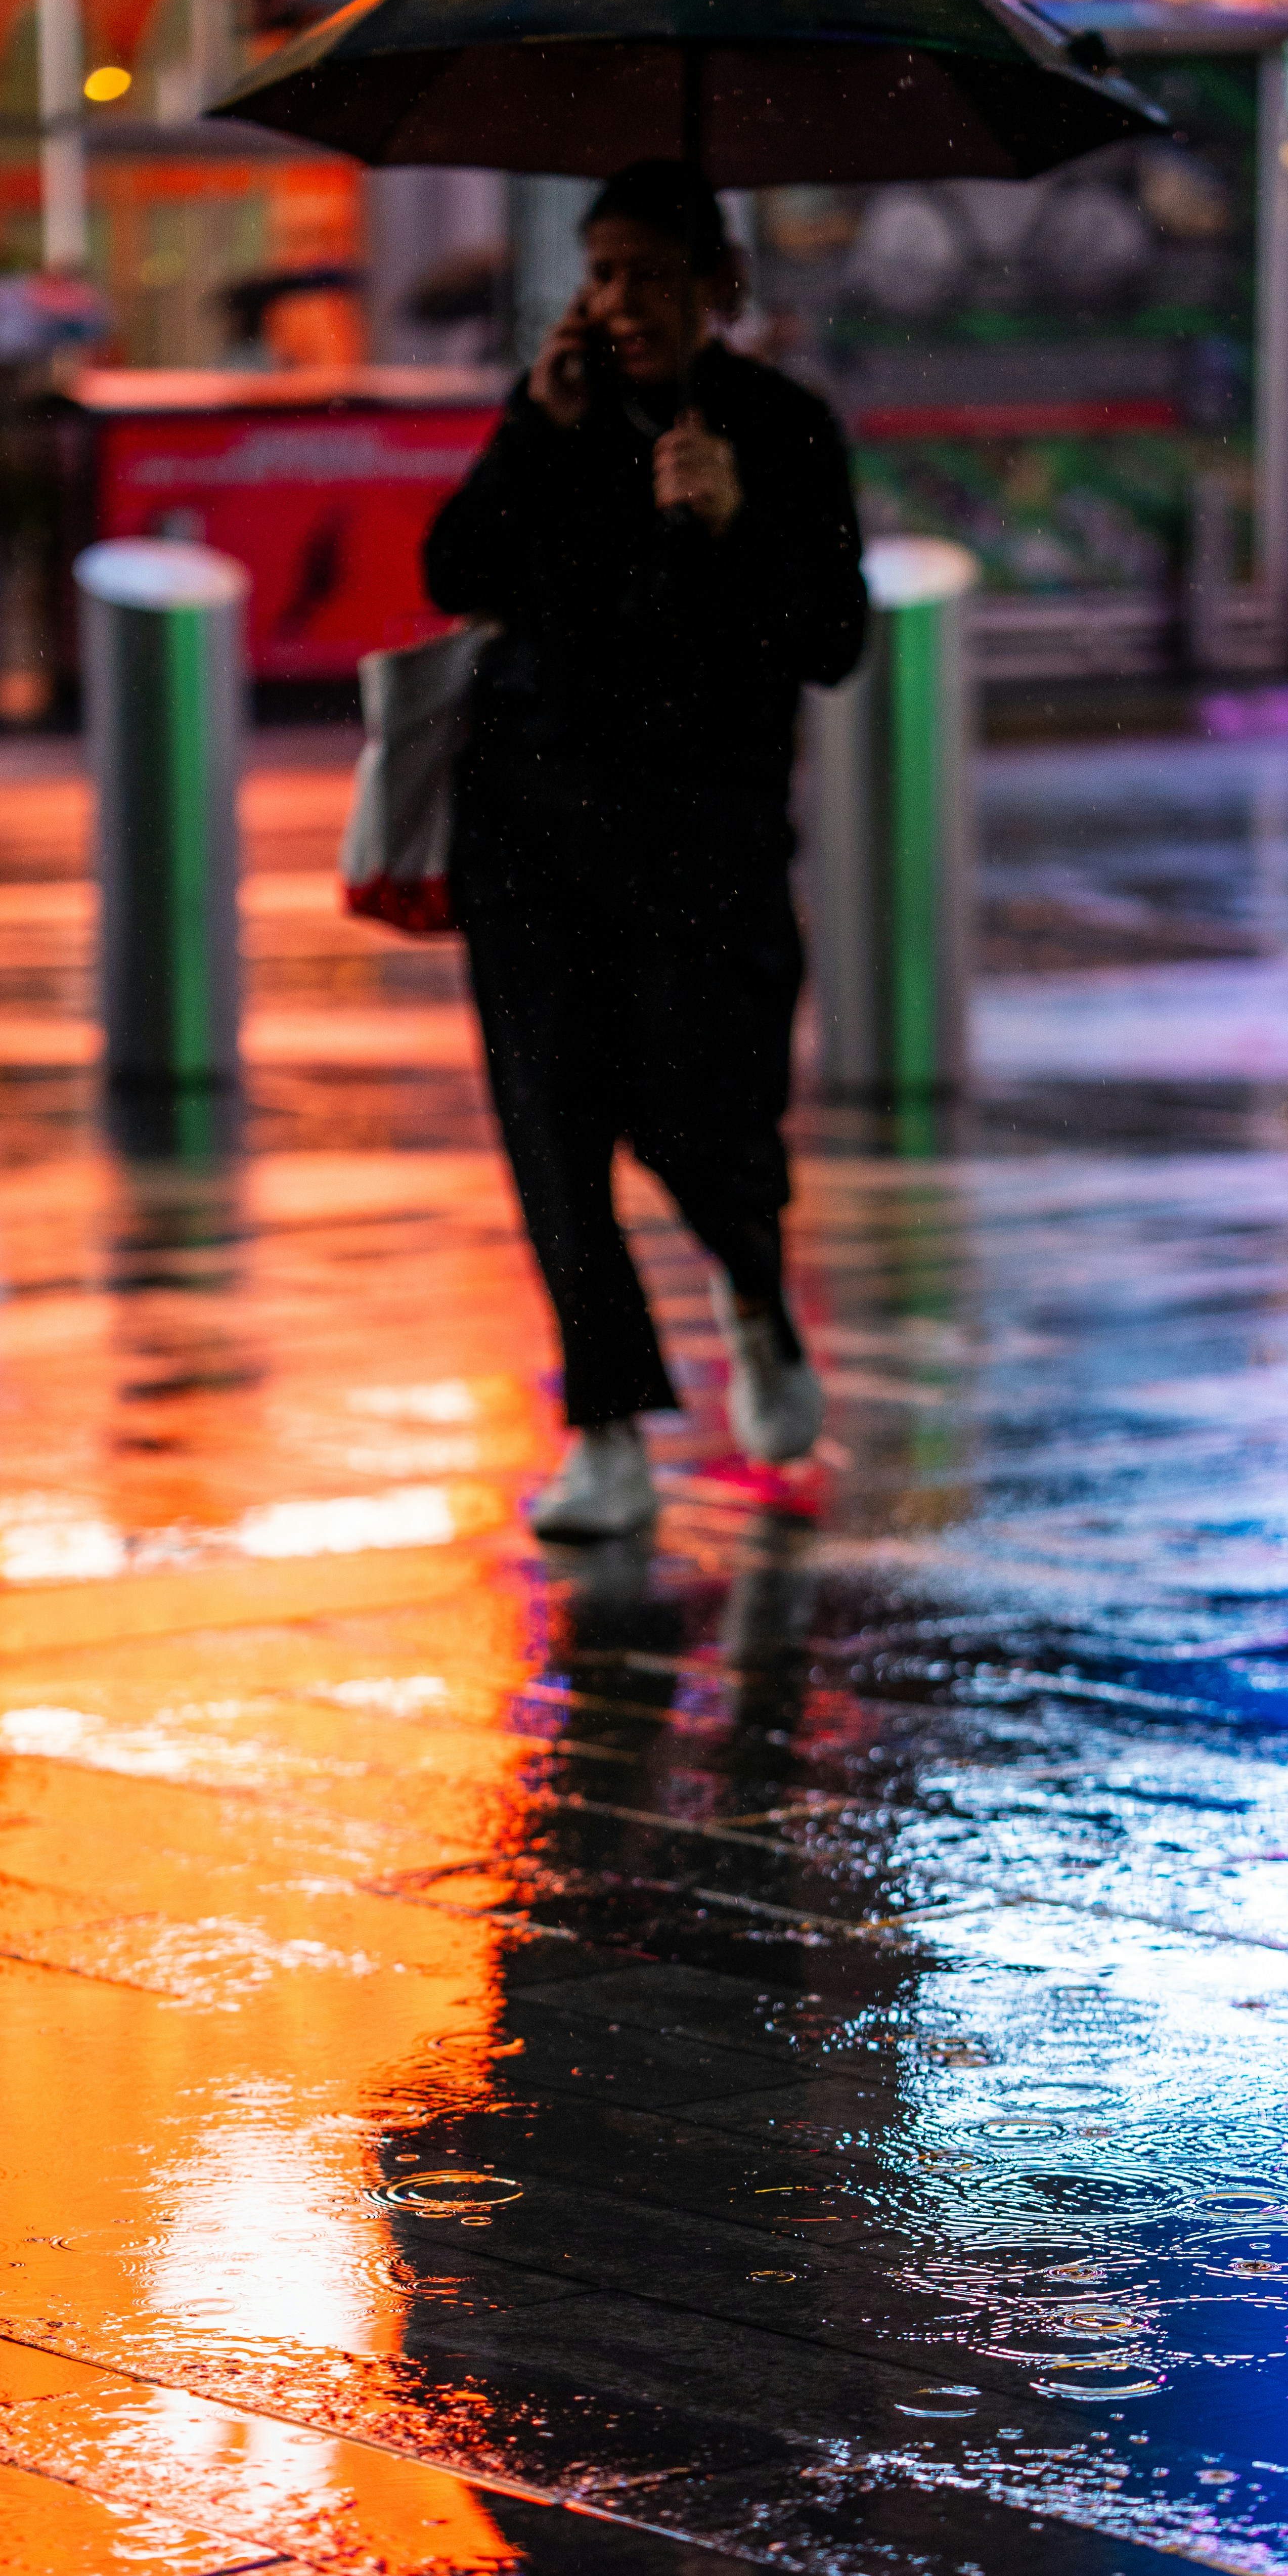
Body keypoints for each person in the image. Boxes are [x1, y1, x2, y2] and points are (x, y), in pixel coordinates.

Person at [423, 160, 869, 1542]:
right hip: (534, 840)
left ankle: (753, 1296)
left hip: (703, 847)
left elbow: (833, 642)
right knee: (553, 1135)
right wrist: (531, 440)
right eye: (603, 270)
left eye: (653, 275)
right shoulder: (554, 417)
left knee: (704, 1115)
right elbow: (454, 574)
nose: (621, 301)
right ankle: (607, 1430)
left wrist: (737, 523)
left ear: (719, 290)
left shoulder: (781, 430)